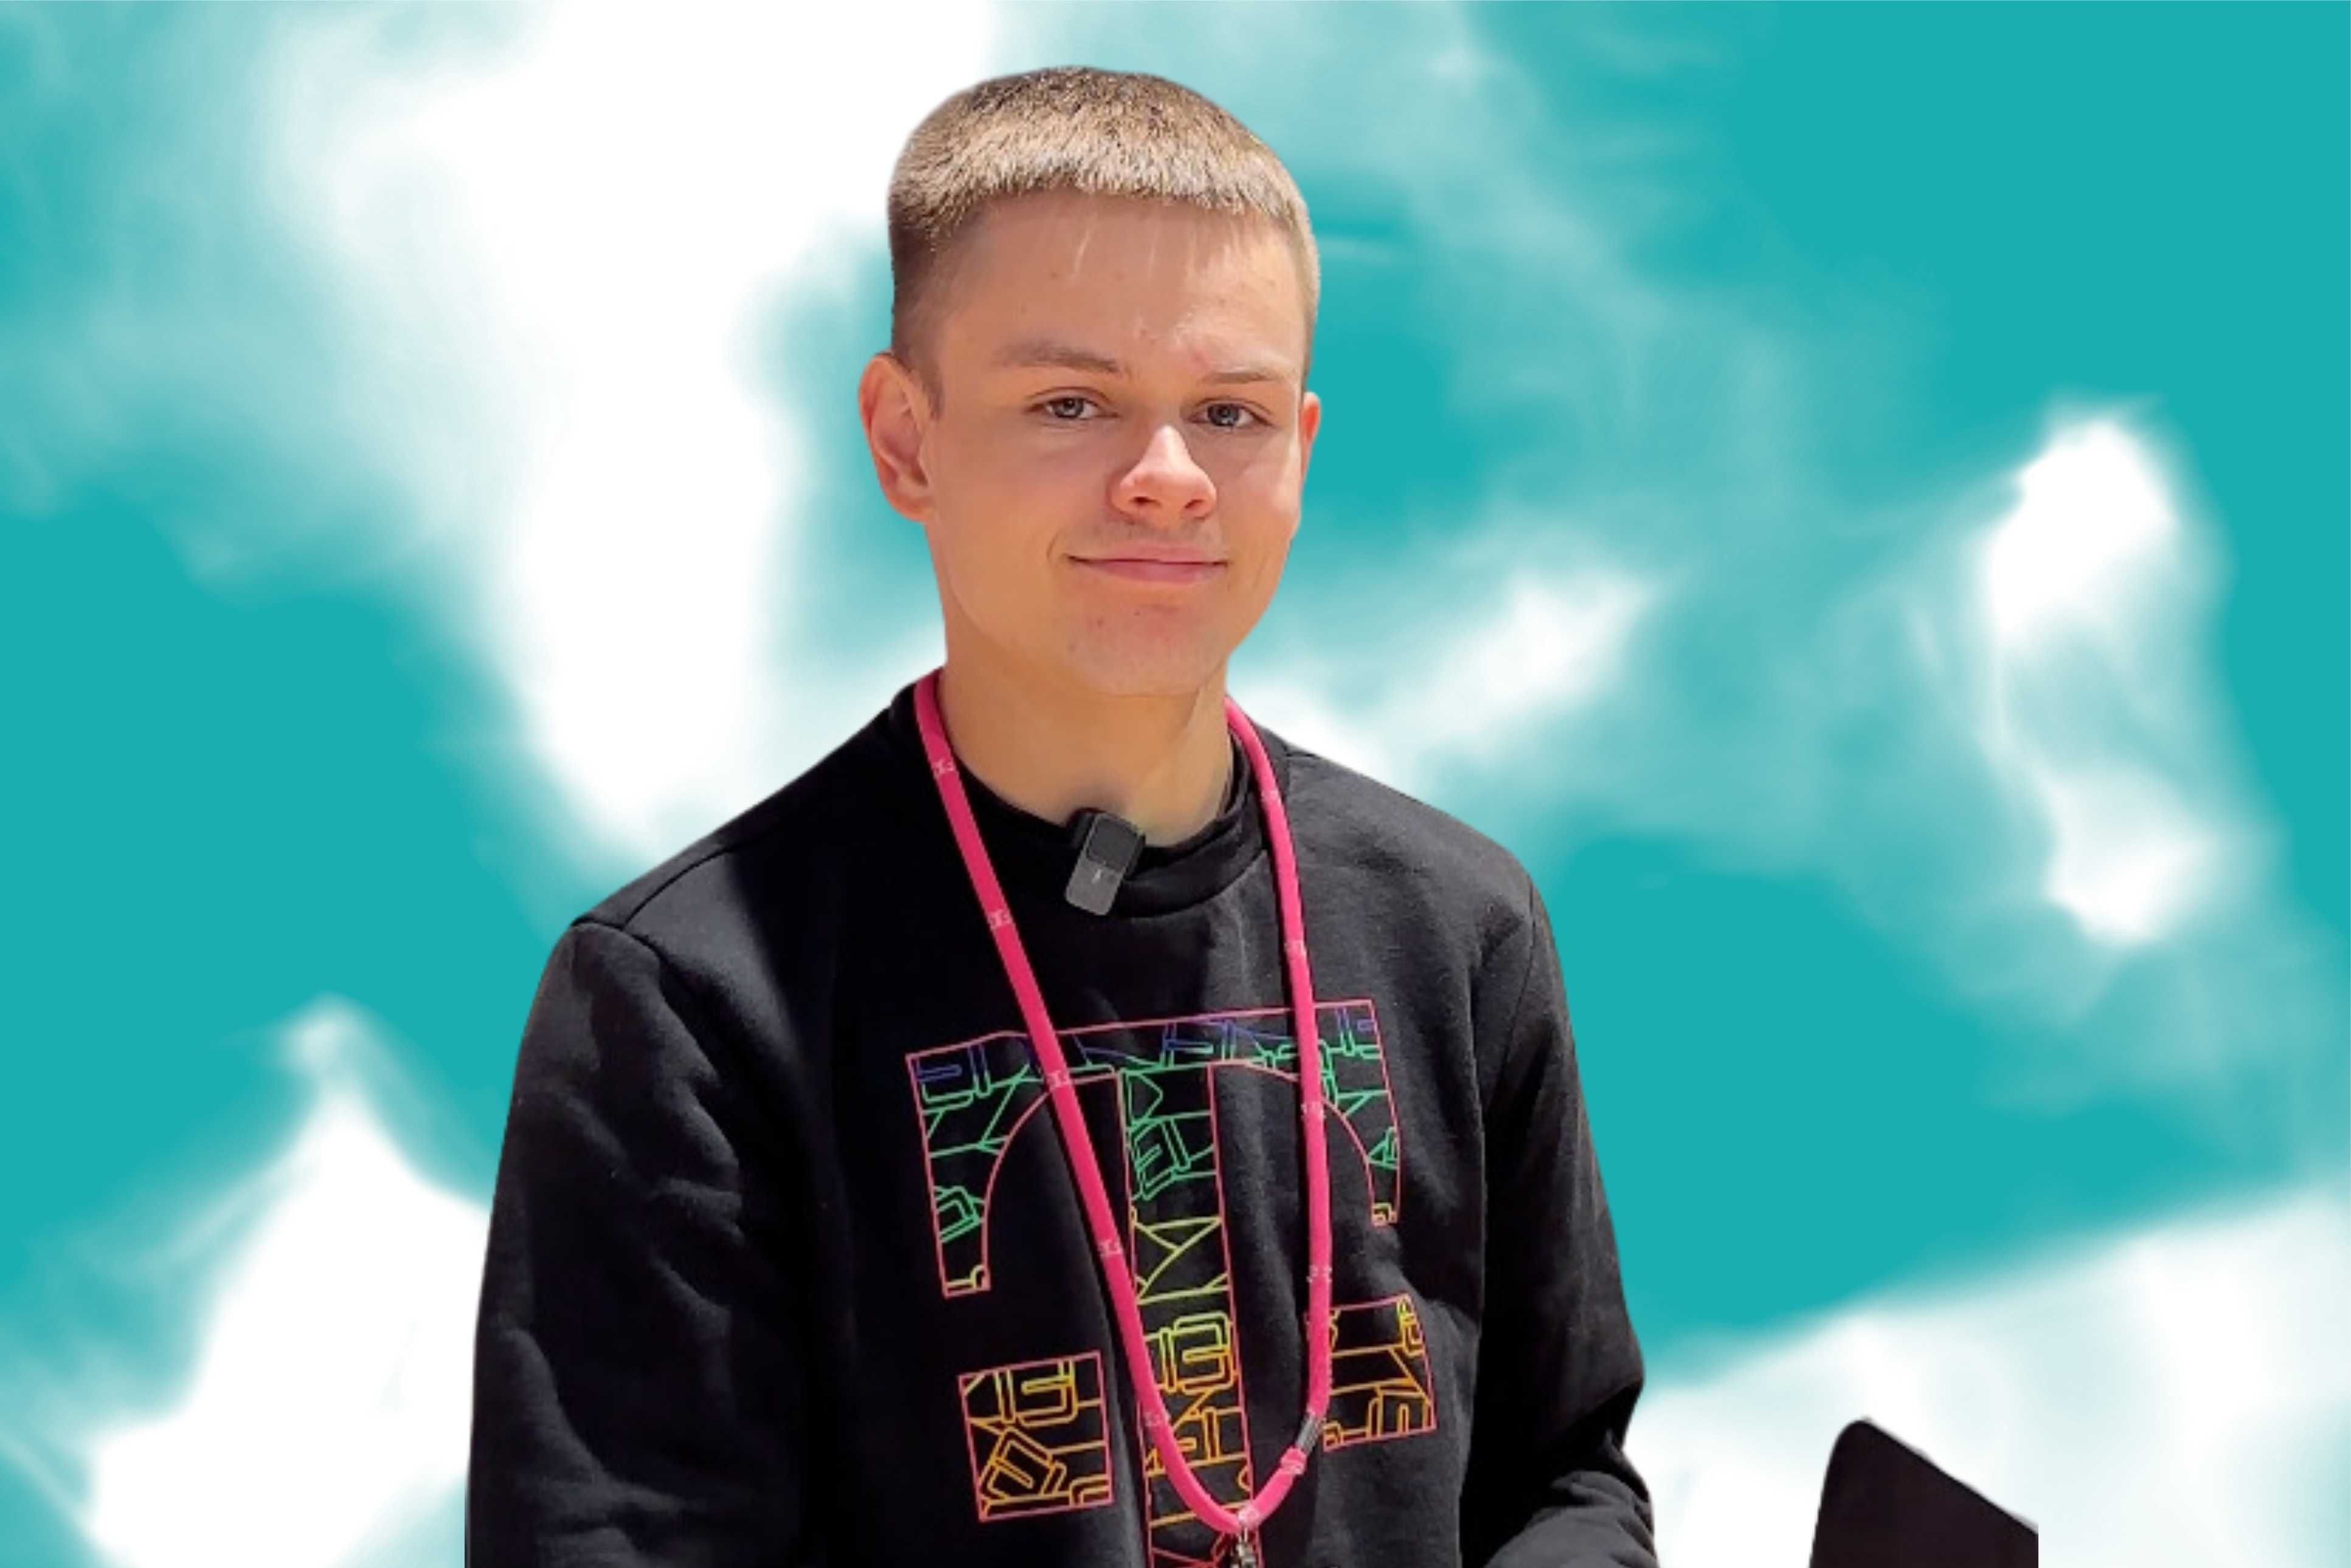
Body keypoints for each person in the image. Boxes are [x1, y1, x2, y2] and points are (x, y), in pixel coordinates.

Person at [466, 64, 1657, 1568]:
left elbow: (1567, 1480)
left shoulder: (1460, 922)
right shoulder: (689, 999)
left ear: (1298, 447)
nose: (1164, 479)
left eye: (1224, 410)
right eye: (1070, 402)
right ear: (907, 439)